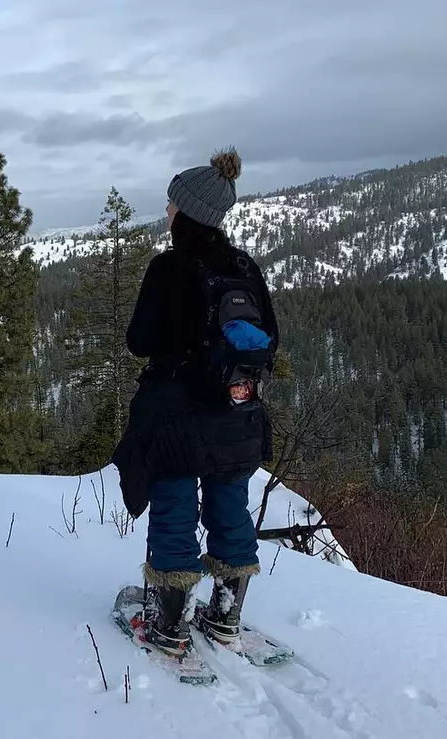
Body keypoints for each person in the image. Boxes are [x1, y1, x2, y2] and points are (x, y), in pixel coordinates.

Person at [112, 148, 279, 657]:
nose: (167, 212)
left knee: (176, 509)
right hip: (236, 413)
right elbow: (270, 337)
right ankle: (226, 617)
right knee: (230, 506)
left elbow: (139, 341)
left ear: (188, 211)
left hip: (177, 415)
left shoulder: (170, 267)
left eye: (171, 204)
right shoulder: (244, 267)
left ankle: (170, 624)